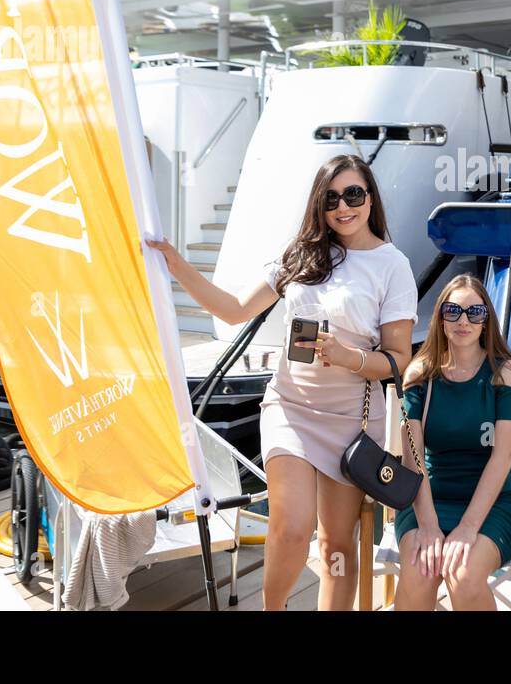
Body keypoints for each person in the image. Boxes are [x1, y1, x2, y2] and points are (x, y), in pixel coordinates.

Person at [147, 154, 417, 611]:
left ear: (370, 197)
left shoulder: (393, 265)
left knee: (336, 545)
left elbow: (398, 360)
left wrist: (347, 356)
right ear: (319, 204)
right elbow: (232, 309)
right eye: (331, 198)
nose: (342, 206)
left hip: (353, 421)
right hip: (291, 408)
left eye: (353, 194)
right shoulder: (302, 254)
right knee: (291, 527)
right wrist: (176, 265)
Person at [392, 274, 511, 610]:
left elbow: (501, 459)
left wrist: (468, 528)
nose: (463, 320)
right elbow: (413, 460)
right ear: (440, 318)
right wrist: (428, 525)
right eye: (453, 311)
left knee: (463, 573)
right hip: (428, 499)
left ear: (486, 321)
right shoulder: (419, 374)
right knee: (419, 570)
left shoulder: (505, 373)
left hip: (493, 504)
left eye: (474, 313)